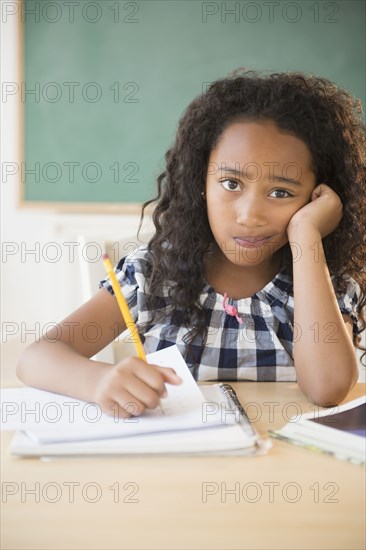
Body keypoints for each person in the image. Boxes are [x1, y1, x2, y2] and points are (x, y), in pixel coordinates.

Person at [17, 69, 366, 416]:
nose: (250, 215)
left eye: (281, 192)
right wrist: (97, 381)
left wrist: (306, 233)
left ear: (317, 197)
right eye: (231, 184)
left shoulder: (321, 280)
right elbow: (36, 359)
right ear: (201, 181)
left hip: (282, 466)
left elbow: (328, 389)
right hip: (178, 465)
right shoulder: (154, 274)